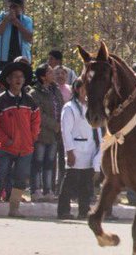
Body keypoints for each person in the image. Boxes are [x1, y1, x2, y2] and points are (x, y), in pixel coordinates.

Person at [0, 61, 40, 217]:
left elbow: (36, 120)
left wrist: (32, 137)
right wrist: (5, 139)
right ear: (8, 80)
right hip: (6, 147)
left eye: (21, 77)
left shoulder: (30, 100)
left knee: (21, 178)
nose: (18, 79)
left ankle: (14, 208)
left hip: (26, 148)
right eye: (15, 76)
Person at [57, 78, 101, 220]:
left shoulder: (92, 107)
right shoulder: (69, 107)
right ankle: (63, 210)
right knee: (70, 182)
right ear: (77, 89)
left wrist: (99, 149)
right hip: (75, 149)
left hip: (90, 149)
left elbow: (97, 128)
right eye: (84, 88)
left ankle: (84, 210)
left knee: (87, 183)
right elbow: (66, 131)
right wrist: (69, 152)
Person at [28, 64, 62, 199]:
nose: (53, 74)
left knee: (50, 163)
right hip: (41, 134)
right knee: (38, 161)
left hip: (54, 135)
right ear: (42, 76)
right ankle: (35, 190)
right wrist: (55, 125)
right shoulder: (34, 93)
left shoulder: (56, 91)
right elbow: (39, 114)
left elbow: (61, 106)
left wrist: (61, 124)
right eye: (50, 72)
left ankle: (48, 190)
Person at [0, 0, 34, 72]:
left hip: (22, 59)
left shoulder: (27, 20)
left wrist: (17, 23)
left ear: (21, 8)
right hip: (3, 59)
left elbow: (29, 38)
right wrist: (6, 20)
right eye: (10, 7)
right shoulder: (0, 18)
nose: (12, 9)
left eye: (14, 6)